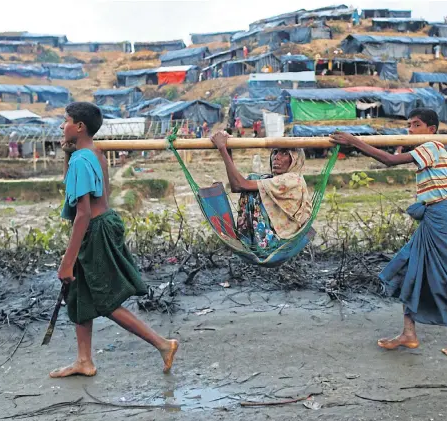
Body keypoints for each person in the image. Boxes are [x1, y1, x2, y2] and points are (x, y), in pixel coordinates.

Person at [329, 108, 447, 358]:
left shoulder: (432, 146)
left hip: (442, 220)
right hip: (437, 218)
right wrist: (446, 215)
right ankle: (409, 332)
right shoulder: (437, 152)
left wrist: (354, 142)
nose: (410, 130)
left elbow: (389, 161)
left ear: (431, 129)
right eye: (409, 125)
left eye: (416, 125)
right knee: (409, 267)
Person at [49, 102, 178, 378]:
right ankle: (84, 361)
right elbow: (75, 189)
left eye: (66, 121)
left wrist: (67, 262)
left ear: (79, 127)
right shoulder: (92, 154)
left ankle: (163, 344)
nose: (62, 126)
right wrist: (66, 155)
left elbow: (82, 213)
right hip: (102, 224)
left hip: (93, 230)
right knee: (80, 294)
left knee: (105, 301)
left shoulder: (82, 161)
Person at [209, 131, 312, 253]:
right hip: (273, 237)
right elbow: (236, 187)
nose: (276, 157)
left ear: (295, 160)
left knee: (253, 181)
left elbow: (241, 185)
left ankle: (247, 240)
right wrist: (227, 149)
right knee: (255, 181)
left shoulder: (293, 179)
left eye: (284, 153)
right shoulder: (274, 180)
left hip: (279, 243)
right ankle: (247, 239)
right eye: (275, 152)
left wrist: (222, 149)